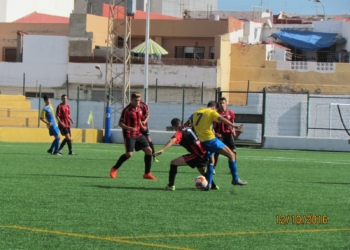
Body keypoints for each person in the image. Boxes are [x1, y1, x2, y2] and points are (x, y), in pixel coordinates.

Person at [192, 101, 247, 190]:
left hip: (202, 141)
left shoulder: (196, 112)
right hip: (211, 140)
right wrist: (233, 125)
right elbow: (221, 119)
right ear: (215, 108)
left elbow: (188, 123)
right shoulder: (211, 112)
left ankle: (209, 185)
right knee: (232, 155)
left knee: (211, 162)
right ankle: (235, 179)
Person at [154, 118, 218, 191]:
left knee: (173, 163)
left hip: (198, 155)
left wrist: (163, 149)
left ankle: (170, 185)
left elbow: (173, 140)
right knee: (202, 170)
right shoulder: (189, 127)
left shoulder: (180, 132)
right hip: (205, 152)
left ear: (174, 126)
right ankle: (213, 185)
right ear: (180, 123)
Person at [109, 92, 157, 180]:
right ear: (131, 100)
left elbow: (144, 116)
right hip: (129, 135)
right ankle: (114, 168)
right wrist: (129, 128)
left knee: (149, 150)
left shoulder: (141, 107)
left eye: (139, 100)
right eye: (136, 100)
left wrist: (143, 124)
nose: (138, 102)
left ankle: (147, 173)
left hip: (139, 134)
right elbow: (120, 123)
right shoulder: (127, 110)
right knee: (129, 154)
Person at [213, 97, 238, 172]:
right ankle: (213, 168)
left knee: (233, 151)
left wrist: (233, 130)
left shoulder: (231, 112)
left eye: (223, 103)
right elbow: (212, 124)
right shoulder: (216, 113)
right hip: (219, 135)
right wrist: (215, 133)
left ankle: (233, 168)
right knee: (216, 151)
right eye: (220, 103)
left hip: (228, 134)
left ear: (226, 103)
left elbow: (232, 121)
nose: (222, 104)